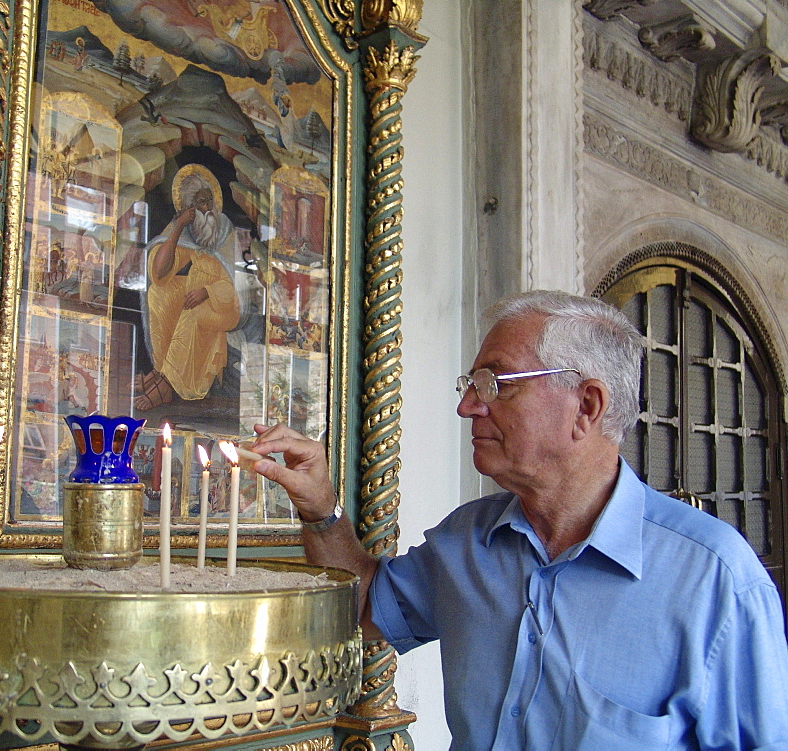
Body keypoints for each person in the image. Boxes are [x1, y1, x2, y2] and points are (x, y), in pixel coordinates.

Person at [251, 289, 788, 750]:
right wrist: (321, 507)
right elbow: (366, 606)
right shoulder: (467, 542)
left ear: (587, 407)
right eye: (473, 382)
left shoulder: (716, 582)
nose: (467, 406)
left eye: (497, 383)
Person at [135, 164, 241, 410]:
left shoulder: (225, 230)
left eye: (207, 202)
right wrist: (178, 227)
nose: (204, 209)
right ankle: (161, 371)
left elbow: (240, 287)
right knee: (160, 293)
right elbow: (160, 273)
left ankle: (166, 386)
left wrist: (207, 292)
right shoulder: (193, 229)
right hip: (197, 290)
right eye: (197, 204)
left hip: (224, 303)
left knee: (193, 313)